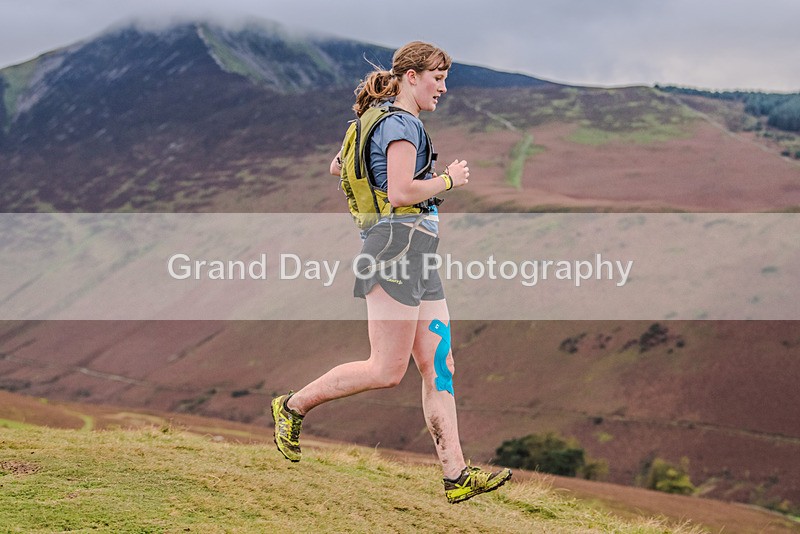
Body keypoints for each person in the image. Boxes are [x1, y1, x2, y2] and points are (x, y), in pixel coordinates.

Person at [271, 41, 511, 504]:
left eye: (445, 79)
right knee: (385, 370)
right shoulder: (402, 124)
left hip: (415, 252)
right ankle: (292, 406)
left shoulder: (372, 120)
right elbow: (400, 192)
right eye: (437, 78)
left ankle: (456, 475)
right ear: (411, 77)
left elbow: (338, 166)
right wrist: (449, 180)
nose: (443, 88)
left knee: (439, 364)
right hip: (395, 251)